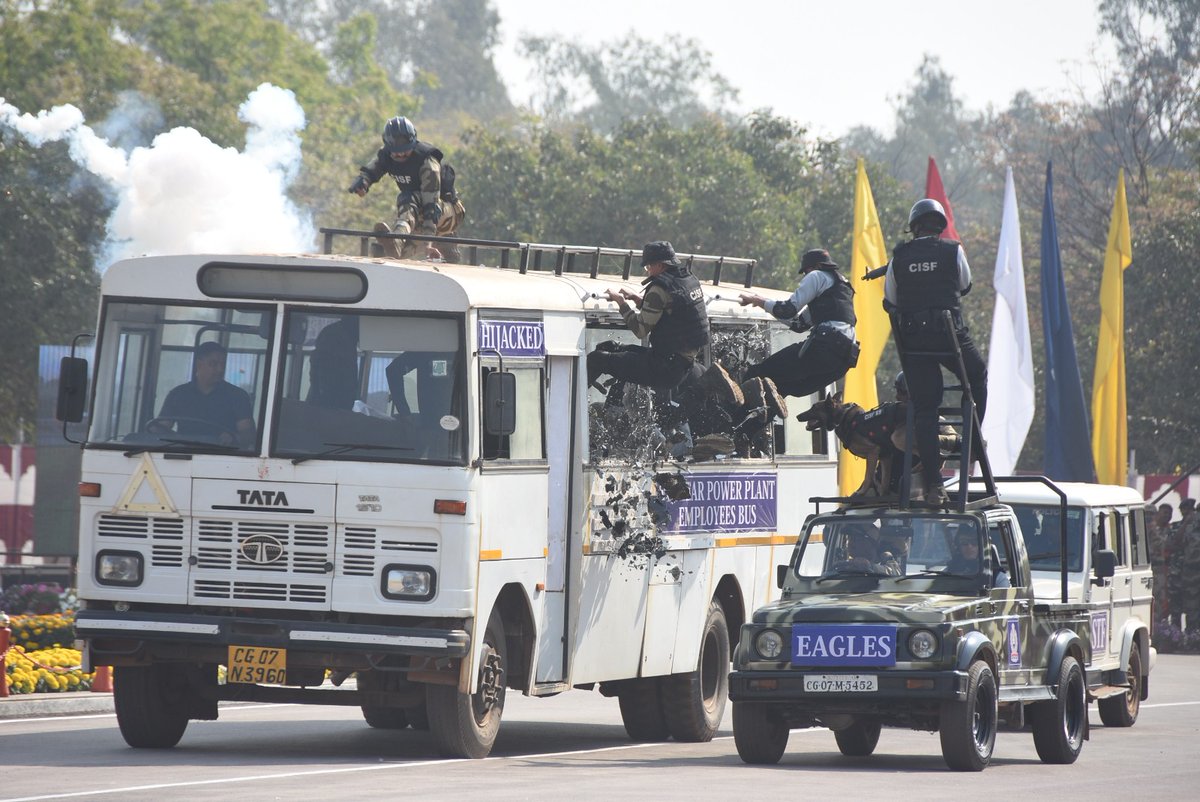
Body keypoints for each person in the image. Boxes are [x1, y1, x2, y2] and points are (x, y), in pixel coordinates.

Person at [883, 199, 987, 507]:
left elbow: (890, 299)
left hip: (915, 347)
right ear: (939, 226)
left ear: (914, 227)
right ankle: (972, 445)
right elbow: (965, 284)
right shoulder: (952, 251)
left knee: (926, 409)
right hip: (949, 339)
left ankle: (933, 486)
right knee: (978, 375)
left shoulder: (899, 257)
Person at [588, 241, 737, 405]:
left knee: (597, 359)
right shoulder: (687, 281)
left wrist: (621, 303)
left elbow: (640, 330)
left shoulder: (660, 288)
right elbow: (670, 316)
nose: (648, 271)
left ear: (659, 265)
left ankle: (566, 407)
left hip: (664, 367)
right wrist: (638, 300)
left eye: (648, 267)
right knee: (610, 348)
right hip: (678, 363)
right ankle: (613, 408)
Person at [738, 248, 859, 398]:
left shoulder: (816, 275)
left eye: (805, 273)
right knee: (782, 388)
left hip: (825, 348)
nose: (805, 277)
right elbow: (798, 324)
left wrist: (758, 301)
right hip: (843, 360)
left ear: (811, 268)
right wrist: (766, 306)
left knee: (759, 374)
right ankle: (753, 421)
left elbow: (787, 310)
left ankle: (728, 411)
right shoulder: (839, 288)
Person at [349, 116, 466, 261]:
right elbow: (371, 171)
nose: (400, 154)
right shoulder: (386, 155)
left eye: (405, 150)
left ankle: (403, 239)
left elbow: (432, 207)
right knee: (396, 255)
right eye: (395, 151)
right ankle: (444, 247)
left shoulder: (427, 163)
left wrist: (427, 243)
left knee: (408, 198)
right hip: (420, 215)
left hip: (448, 213)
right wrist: (363, 183)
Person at [149, 341, 255, 447]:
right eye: (213, 364)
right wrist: (156, 429)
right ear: (199, 364)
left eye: (223, 364)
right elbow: (162, 427)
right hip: (183, 454)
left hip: (223, 455)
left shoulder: (238, 396)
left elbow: (247, 433)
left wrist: (234, 437)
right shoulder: (178, 394)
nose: (220, 369)